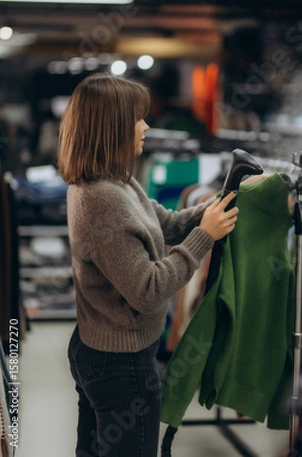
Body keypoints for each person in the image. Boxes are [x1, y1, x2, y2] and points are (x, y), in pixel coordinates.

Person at [57, 72, 239, 457]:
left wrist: (214, 207)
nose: (147, 126)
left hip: (101, 350)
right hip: (121, 365)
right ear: (113, 126)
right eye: (137, 118)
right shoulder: (102, 198)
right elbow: (148, 290)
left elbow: (167, 224)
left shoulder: (115, 181)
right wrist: (205, 236)